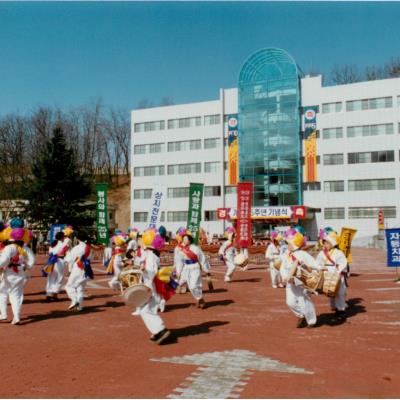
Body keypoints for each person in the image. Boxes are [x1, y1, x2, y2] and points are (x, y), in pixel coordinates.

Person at [280, 228, 320, 328]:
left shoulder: (303, 254)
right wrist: (285, 277)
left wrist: (318, 272)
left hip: (302, 283)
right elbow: (283, 268)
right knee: (290, 302)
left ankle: (311, 321)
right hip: (291, 282)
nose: (286, 244)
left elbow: (314, 265)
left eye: (288, 242)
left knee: (305, 301)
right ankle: (301, 315)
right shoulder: (287, 255)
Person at [137, 227, 171, 344]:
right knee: (149, 310)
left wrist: (143, 270)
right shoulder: (151, 254)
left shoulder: (151, 255)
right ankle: (157, 331)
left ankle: (160, 330)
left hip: (150, 286)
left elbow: (151, 271)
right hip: (151, 286)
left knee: (145, 311)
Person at [0, 224, 35, 325]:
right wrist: (26, 267)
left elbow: (4, 260)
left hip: (9, 273)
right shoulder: (25, 248)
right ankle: (16, 317)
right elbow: (32, 261)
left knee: (2, 293)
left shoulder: (9, 247)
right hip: (20, 273)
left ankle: (3, 314)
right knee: (17, 296)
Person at [316, 228, 348, 320]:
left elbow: (343, 263)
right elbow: (317, 263)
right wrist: (320, 268)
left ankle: (341, 310)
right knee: (330, 291)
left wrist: (338, 271)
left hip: (337, 274)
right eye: (324, 242)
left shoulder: (339, 253)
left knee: (340, 292)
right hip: (327, 274)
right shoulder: (322, 253)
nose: (325, 245)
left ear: (332, 243)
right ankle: (334, 307)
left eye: (327, 242)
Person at [177, 229, 209, 308]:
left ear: (190, 239)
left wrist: (206, 269)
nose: (184, 240)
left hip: (194, 267)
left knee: (193, 286)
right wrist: (178, 271)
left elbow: (202, 258)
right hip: (186, 268)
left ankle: (199, 298)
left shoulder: (196, 248)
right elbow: (180, 261)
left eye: (186, 238)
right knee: (182, 284)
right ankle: (199, 299)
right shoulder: (181, 249)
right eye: (183, 238)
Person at [65, 231, 93, 311]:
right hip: (86, 268)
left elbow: (70, 259)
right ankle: (79, 306)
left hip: (78, 267)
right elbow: (91, 258)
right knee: (80, 288)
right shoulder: (88, 247)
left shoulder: (77, 248)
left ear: (77, 239)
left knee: (69, 286)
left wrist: (67, 253)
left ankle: (74, 300)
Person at [42, 231, 69, 301]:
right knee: (59, 278)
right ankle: (54, 295)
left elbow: (50, 253)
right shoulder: (63, 244)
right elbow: (66, 253)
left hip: (51, 261)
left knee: (51, 277)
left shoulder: (52, 244)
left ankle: (48, 294)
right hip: (59, 261)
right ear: (62, 237)